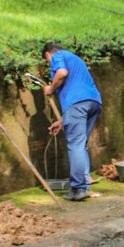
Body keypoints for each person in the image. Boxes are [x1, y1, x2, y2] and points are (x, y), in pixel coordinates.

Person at [42, 43, 103, 201]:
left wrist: (51, 88)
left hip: (77, 105)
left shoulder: (58, 56)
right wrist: (62, 120)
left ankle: (78, 188)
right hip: (94, 102)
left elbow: (62, 73)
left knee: (75, 145)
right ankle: (84, 187)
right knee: (81, 145)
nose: (50, 64)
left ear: (48, 54)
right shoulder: (75, 58)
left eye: (47, 61)